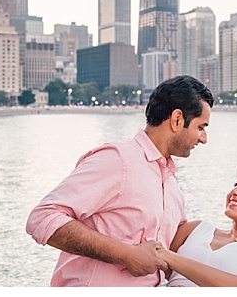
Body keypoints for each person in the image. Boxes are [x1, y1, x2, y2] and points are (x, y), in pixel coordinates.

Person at [25, 75, 214, 286]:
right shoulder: (117, 160)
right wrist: (127, 255)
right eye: (201, 127)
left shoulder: (171, 187)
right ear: (177, 120)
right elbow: (42, 218)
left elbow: (174, 249)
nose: (203, 138)